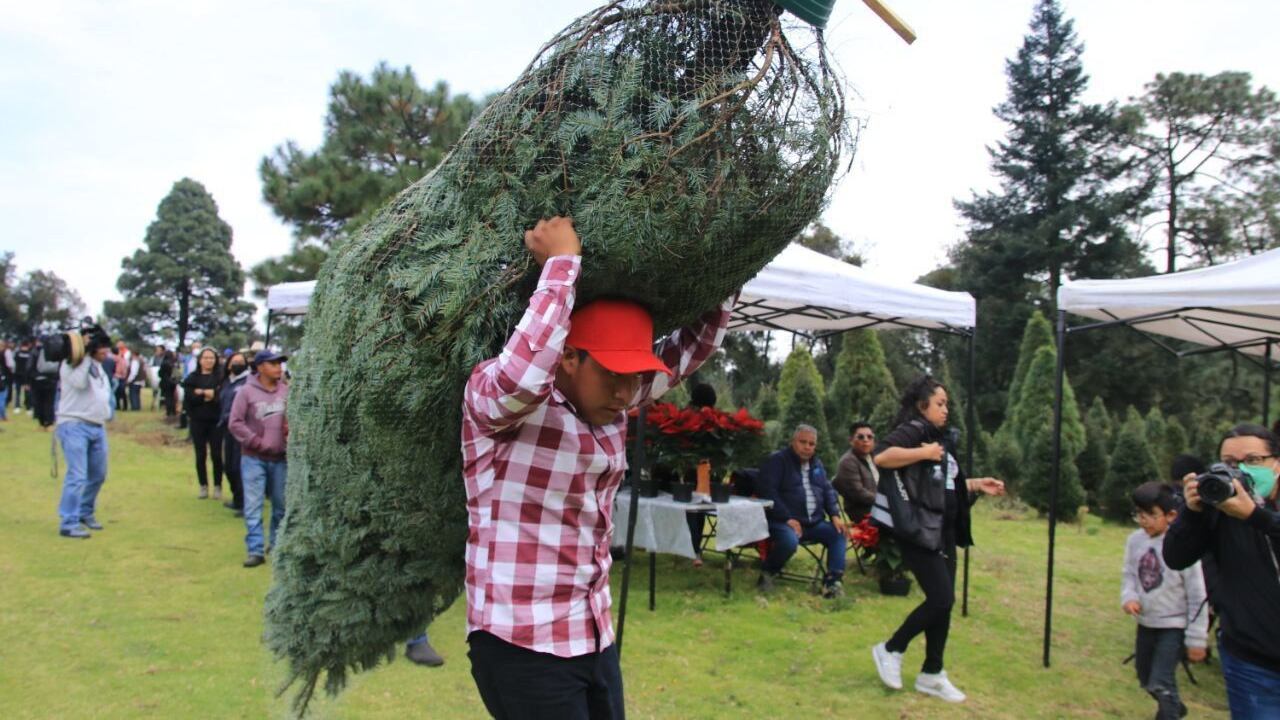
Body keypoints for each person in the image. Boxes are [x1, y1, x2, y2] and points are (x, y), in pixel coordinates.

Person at [462, 216, 730, 719]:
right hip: (521, 642)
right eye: (611, 374)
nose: (626, 392)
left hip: (591, 634)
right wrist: (561, 266)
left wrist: (732, 268)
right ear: (567, 357)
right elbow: (522, 378)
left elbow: (692, 349)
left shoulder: (613, 402)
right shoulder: (496, 403)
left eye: (634, 378)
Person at [869, 375, 1005, 704]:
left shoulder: (937, 437)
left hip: (943, 531)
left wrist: (974, 485)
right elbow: (882, 457)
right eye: (940, 404)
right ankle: (891, 649)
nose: (946, 410)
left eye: (946, 404)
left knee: (944, 604)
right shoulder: (917, 430)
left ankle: (932, 673)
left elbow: (942, 484)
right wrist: (923, 452)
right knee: (940, 599)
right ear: (922, 406)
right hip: (919, 531)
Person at [1165, 424, 1280, 717]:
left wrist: (1256, 516)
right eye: (1229, 463)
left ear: (1276, 462)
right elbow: (1175, 557)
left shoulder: (1251, 512)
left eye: (1252, 460)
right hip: (1252, 660)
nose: (1241, 469)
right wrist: (1192, 514)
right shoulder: (1218, 506)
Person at [1122, 481, 1208, 719]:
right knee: (1145, 677)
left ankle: (1168, 713)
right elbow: (1129, 574)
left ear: (1171, 515)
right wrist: (1129, 596)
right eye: (1138, 514)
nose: (1143, 520)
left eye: (1150, 514)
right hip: (1146, 623)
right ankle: (1175, 706)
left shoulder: (1182, 547)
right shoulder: (1135, 541)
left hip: (1173, 627)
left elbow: (1197, 595)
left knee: (1160, 681)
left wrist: (1197, 638)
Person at [756, 424, 848, 598]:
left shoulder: (817, 464)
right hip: (782, 521)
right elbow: (768, 492)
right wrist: (787, 518)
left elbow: (827, 490)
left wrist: (835, 515)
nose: (807, 447)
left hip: (813, 522)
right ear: (793, 442)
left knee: (838, 533)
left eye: (811, 444)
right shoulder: (778, 461)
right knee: (789, 541)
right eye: (803, 442)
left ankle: (833, 582)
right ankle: (767, 573)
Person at [228, 349, 289, 568]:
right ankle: (255, 550)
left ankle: (276, 544)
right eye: (273, 364)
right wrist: (255, 441)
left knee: (280, 505)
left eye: (280, 364)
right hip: (254, 459)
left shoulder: (286, 391)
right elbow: (235, 423)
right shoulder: (246, 392)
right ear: (261, 367)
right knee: (253, 505)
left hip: (281, 459)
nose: (278, 368)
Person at [54, 326, 114, 538]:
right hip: (74, 425)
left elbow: (103, 394)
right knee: (77, 475)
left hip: (97, 426)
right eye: (102, 349)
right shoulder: (70, 365)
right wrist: (86, 355)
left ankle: (84, 512)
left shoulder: (99, 367)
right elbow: (79, 383)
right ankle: (68, 521)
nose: (106, 352)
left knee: (98, 475)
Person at [183, 347, 225, 500]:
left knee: (216, 454)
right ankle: (203, 485)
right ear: (200, 360)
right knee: (200, 454)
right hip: (198, 421)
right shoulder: (192, 379)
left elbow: (220, 397)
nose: (208, 361)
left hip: (216, 421)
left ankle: (218, 485)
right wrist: (207, 395)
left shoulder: (221, 377)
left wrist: (203, 393)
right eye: (205, 358)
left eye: (211, 358)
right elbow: (190, 400)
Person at [218, 351, 250, 516]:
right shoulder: (227, 382)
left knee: (239, 466)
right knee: (229, 466)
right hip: (226, 428)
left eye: (240, 361)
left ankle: (246, 504)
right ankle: (237, 499)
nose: (237, 364)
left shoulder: (248, 381)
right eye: (234, 361)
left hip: (241, 429)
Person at [834, 421, 879, 522]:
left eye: (869, 437)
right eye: (860, 437)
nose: (866, 440)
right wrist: (885, 502)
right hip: (863, 513)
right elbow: (858, 494)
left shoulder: (876, 457)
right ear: (851, 440)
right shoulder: (848, 462)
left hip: (880, 508)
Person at [28, 337, 60, 429]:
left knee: (39, 401)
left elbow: (29, 366)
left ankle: (41, 422)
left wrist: (29, 379)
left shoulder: (35, 351)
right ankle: (49, 422)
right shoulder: (54, 350)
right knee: (49, 402)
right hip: (51, 380)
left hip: (37, 380)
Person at [112, 341, 131, 410]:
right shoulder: (123, 360)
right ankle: (124, 406)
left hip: (117, 376)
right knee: (122, 392)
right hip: (122, 377)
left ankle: (118, 406)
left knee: (117, 393)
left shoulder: (115, 359)